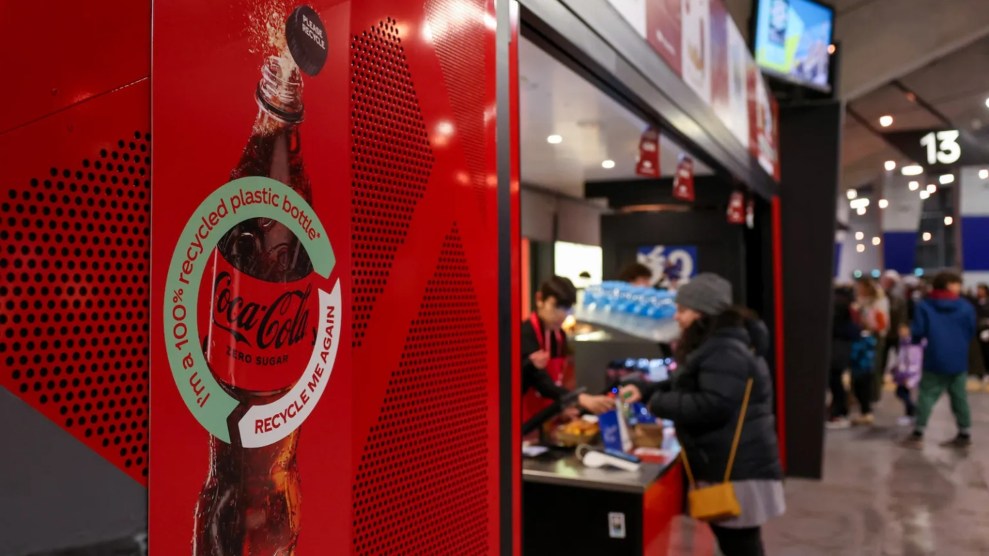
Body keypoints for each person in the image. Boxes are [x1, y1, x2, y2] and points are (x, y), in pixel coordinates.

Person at [620, 273, 783, 556]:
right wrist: (647, 390)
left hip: (738, 471)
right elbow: (695, 382)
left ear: (701, 312)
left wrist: (658, 403)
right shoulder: (722, 344)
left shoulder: (724, 349)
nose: (677, 317)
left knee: (741, 545)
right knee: (739, 544)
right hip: (737, 465)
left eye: (682, 311)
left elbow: (713, 404)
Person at [521, 276, 614, 424]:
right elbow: (541, 382)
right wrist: (579, 398)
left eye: (566, 308)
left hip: (549, 417)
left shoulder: (559, 335)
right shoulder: (525, 333)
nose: (562, 315)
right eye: (556, 306)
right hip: (527, 420)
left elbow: (558, 380)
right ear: (539, 299)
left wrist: (563, 406)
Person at [902, 272, 977, 449]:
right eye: (957, 283)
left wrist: (912, 341)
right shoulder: (965, 307)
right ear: (949, 285)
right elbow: (970, 330)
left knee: (927, 395)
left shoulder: (925, 306)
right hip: (958, 358)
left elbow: (918, 331)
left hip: (934, 356)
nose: (959, 287)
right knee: (959, 397)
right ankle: (964, 432)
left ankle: (918, 433)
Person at [848, 278, 888, 425]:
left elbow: (881, 323)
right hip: (861, 339)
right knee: (859, 372)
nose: (858, 289)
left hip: (871, 340)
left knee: (869, 371)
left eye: (861, 287)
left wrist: (867, 325)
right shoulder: (860, 301)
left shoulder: (878, 302)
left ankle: (871, 398)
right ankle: (859, 398)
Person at [826, 285, 860, 429]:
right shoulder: (847, 306)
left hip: (836, 351)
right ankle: (839, 409)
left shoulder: (836, 304)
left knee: (835, 382)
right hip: (842, 350)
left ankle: (839, 411)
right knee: (836, 382)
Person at [878, 271, 909, 401]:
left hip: (895, 333)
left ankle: (902, 380)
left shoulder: (898, 297)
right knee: (881, 359)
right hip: (884, 333)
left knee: (901, 359)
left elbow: (902, 314)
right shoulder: (881, 295)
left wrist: (902, 327)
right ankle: (879, 379)